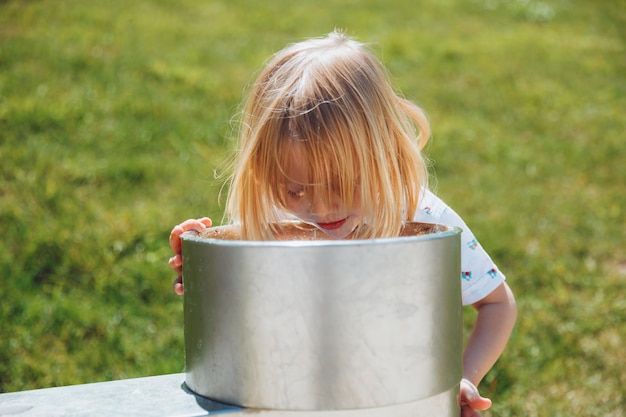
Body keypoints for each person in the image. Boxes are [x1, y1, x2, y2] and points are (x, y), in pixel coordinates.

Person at [168, 30, 517, 417]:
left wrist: (465, 377)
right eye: (295, 189)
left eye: (342, 184)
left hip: (396, 403)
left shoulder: (418, 219)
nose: (320, 207)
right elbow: (245, 305)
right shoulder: (277, 219)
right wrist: (205, 271)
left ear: (383, 153)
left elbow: (497, 303)